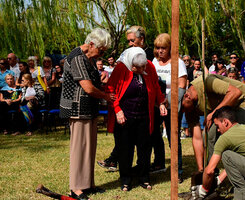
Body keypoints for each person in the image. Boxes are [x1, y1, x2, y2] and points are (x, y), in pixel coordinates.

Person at [59, 28, 115, 200]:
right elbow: (88, 88)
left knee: (90, 148)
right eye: (101, 50)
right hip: (77, 109)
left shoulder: (89, 58)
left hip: (89, 109)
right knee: (79, 149)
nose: (101, 54)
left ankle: (88, 184)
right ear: (91, 44)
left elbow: (94, 83)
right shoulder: (77, 57)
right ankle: (75, 188)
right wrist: (106, 96)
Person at [106, 47, 167, 191]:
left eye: (143, 67)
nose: (141, 69)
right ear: (130, 64)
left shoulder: (148, 66)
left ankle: (144, 178)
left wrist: (161, 103)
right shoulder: (121, 68)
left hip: (144, 116)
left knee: (144, 149)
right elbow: (110, 89)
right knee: (125, 149)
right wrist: (117, 109)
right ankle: (126, 180)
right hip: (125, 117)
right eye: (137, 67)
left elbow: (155, 87)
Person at [182, 74, 245, 171]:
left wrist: (213, 114)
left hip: (242, 101)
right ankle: (210, 170)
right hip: (223, 108)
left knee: (240, 139)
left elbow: (235, 92)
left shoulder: (205, 82)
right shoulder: (189, 106)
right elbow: (197, 138)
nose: (183, 112)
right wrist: (201, 170)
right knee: (207, 135)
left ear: (187, 96)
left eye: (182, 109)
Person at [151, 33, 187, 183]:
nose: (160, 51)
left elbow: (181, 85)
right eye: (158, 48)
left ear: (170, 48)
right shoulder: (154, 62)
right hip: (155, 105)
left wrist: (167, 102)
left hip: (171, 105)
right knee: (153, 134)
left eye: (163, 48)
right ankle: (159, 163)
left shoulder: (178, 63)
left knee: (173, 139)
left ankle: (177, 171)